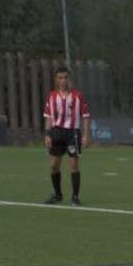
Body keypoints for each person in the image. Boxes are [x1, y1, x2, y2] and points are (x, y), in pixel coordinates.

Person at [43, 67, 91, 205]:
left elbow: (86, 116)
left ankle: (75, 197)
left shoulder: (78, 96)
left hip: (73, 133)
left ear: (69, 79)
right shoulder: (51, 96)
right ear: (56, 79)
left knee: (74, 166)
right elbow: (49, 116)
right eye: (60, 77)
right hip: (57, 133)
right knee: (53, 166)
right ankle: (58, 195)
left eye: (65, 77)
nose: (63, 80)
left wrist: (86, 136)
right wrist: (47, 134)